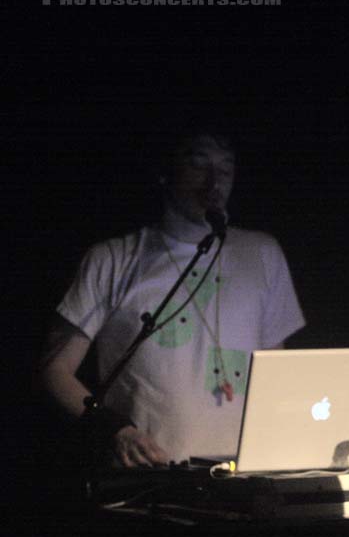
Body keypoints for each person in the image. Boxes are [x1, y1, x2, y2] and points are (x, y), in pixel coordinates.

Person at [37, 131, 306, 467]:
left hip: (246, 475)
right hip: (152, 476)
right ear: (165, 171)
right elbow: (55, 369)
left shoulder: (262, 253)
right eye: (198, 164)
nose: (214, 184)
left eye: (225, 170)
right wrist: (115, 430)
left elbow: (276, 373)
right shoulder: (114, 258)